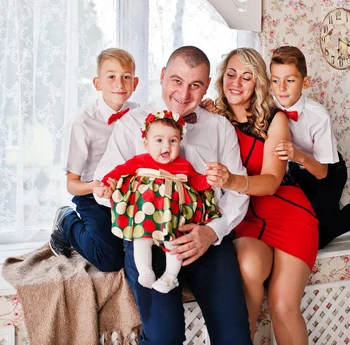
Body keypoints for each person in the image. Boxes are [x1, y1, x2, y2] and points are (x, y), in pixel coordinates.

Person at [93, 46, 252, 344]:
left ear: (206, 87)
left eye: (195, 85)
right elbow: (104, 180)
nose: (184, 93)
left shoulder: (220, 127)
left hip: (206, 238)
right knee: (164, 339)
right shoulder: (131, 123)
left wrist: (210, 232)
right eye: (177, 81)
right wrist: (110, 191)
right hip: (148, 238)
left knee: (235, 338)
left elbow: (237, 191)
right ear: (163, 76)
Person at [204, 47, 318, 344]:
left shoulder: (275, 119)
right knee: (247, 268)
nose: (236, 83)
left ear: (258, 83)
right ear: (221, 77)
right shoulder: (212, 117)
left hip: (289, 217)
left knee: (283, 306)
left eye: (247, 76)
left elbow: (270, 181)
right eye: (231, 74)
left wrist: (231, 180)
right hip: (246, 220)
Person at [96, 110, 220, 294]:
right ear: (146, 144)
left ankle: (170, 276)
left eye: (173, 141)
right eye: (159, 140)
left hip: (170, 218)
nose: (166, 146)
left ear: (180, 142)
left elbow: (195, 182)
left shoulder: (183, 165)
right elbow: (118, 172)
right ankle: (145, 271)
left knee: (175, 242)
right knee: (140, 238)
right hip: (145, 215)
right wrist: (106, 183)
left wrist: (208, 180)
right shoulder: (139, 161)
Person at [270, 46, 350, 249]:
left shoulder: (318, 115)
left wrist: (299, 156)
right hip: (298, 173)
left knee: (316, 237)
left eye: (290, 80)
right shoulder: (269, 107)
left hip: (329, 172)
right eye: (275, 80)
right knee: (297, 226)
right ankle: (334, 215)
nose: (281, 88)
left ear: (306, 82)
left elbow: (322, 172)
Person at [49, 48, 139, 272]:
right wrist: (95, 187)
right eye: (111, 77)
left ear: (135, 83)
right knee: (109, 259)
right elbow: (72, 183)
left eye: (126, 77)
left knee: (137, 252)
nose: (119, 83)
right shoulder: (82, 123)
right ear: (98, 83)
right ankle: (66, 220)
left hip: (129, 194)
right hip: (92, 194)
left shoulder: (140, 114)